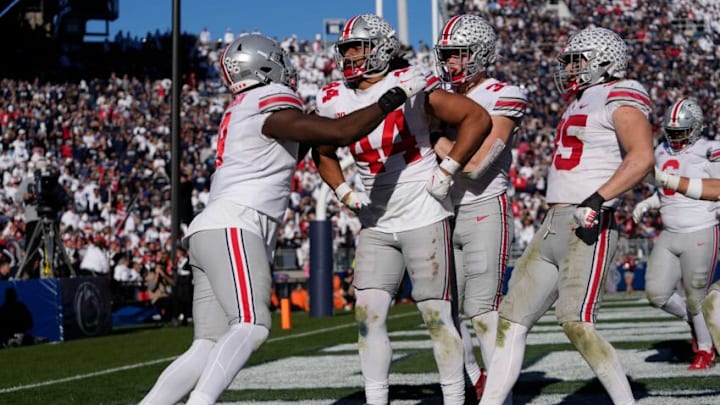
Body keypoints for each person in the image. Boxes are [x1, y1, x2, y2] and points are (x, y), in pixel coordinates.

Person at [138, 33, 429, 405]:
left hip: (209, 229)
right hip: (235, 224)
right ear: (265, 66)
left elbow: (314, 134)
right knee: (252, 325)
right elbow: (340, 133)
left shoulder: (245, 107)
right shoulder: (268, 100)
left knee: (206, 345)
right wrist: (394, 96)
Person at [313, 14, 492, 405]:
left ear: (380, 48)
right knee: (367, 317)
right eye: (346, 49)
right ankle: (376, 399)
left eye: (357, 47)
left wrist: (448, 168)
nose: (349, 57)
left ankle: (455, 398)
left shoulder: (410, 82)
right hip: (376, 222)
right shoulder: (332, 97)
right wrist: (343, 191)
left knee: (437, 318)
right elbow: (322, 150)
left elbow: (476, 117)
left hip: (423, 214)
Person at [480, 27, 654, 405]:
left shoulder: (620, 94)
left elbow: (641, 156)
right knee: (511, 321)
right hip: (551, 224)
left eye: (578, 60)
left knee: (577, 323)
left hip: (588, 223)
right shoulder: (580, 100)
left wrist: (597, 199)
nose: (570, 68)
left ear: (603, 62)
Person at [432, 14, 526, 401]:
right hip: (442, 212)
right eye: (447, 55)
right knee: (443, 309)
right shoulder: (438, 93)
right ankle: (476, 379)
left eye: (458, 54)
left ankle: (498, 394)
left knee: (482, 309)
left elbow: (475, 167)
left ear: (480, 54)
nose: (450, 63)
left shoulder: (503, 93)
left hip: (484, 206)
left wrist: (435, 138)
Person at [632, 98, 720, 369]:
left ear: (695, 128)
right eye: (672, 133)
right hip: (669, 232)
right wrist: (648, 203)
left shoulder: (710, 150)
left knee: (696, 295)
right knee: (656, 293)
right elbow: (667, 191)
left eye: (681, 132)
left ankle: (705, 350)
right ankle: (696, 322)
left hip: (700, 228)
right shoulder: (660, 150)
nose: (676, 138)